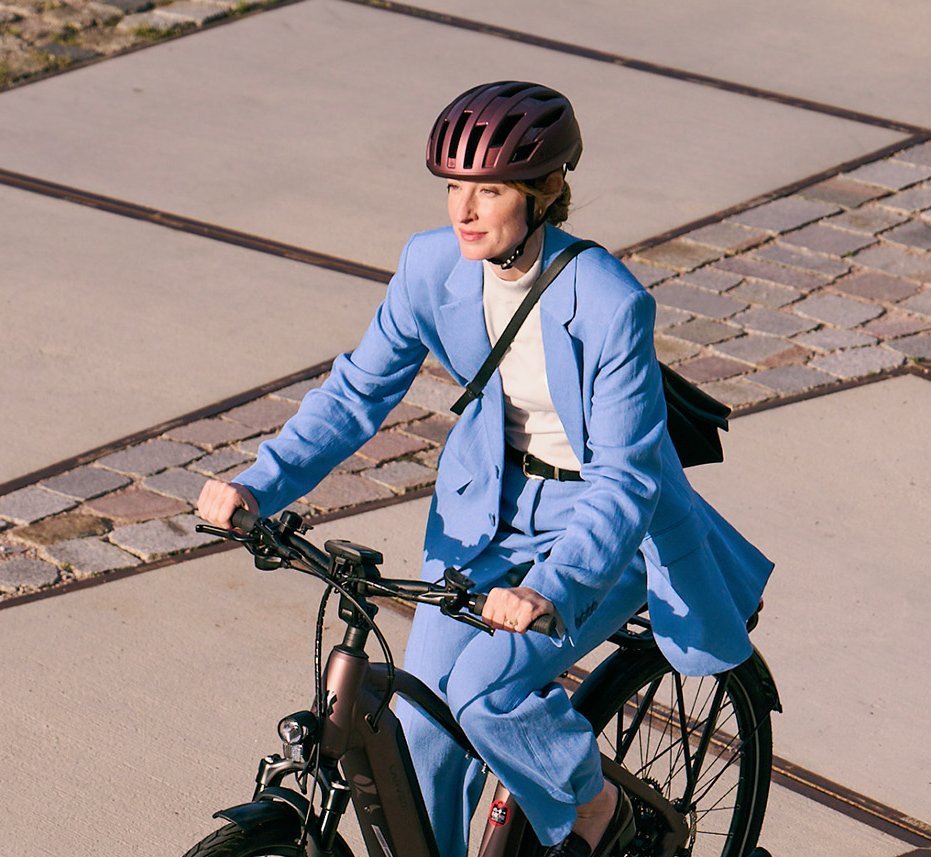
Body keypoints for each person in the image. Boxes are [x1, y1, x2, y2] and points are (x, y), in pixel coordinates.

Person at [197, 80, 774, 857]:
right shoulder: (431, 267)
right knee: (423, 730)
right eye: (453, 188)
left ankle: (599, 811)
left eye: (489, 189)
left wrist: (550, 590)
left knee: (485, 692)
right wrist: (257, 484)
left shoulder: (608, 303)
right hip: (485, 513)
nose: (462, 211)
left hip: (598, 530)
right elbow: (357, 391)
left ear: (546, 191)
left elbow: (627, 480)